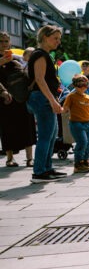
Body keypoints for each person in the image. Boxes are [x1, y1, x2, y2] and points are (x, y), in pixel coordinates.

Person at [26, 25, 68, 183]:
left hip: (44, 97)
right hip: (41, 98)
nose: (58, 41)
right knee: (45, 135)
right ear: (44, 37)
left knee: (51, 135)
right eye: (55, 38)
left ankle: (47, 168)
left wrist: (54, 99)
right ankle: (39, 172)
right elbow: (39, 79)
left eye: (59, 38)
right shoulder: (40, 55)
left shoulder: (44, 55)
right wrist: (52, 100)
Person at [0, 32, 35, 168]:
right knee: (7, 127)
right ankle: (10, 158)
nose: (4, 44)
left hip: (21, 97)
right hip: (4, 99)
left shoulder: (15, 59)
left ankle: (29, 158)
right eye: (1, 41)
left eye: (6, 41)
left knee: (27, 126)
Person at [62, 74, 89, 174]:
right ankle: (78, 165)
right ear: (74, 86)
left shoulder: (88, 97)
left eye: (85, 84)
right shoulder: (71, 96)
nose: (82, 87)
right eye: (79, 84)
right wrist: (57, 108)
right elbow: (65, 109)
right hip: (76, 124)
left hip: (87, 124)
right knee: (82, 142)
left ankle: (85, 163)